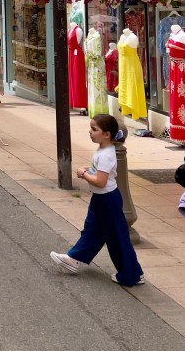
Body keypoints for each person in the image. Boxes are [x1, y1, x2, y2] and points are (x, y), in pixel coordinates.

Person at [50, 114, 144, 287]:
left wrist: (84, 174)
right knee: (93, 231)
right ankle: (74, 258)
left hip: (106, 200)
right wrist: (89, 169)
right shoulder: (103, 150)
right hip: (103, 199)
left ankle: (131, 275)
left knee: (116, 237)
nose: (90, 132)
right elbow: (101, 173)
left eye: (94, 129)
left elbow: (100, 182)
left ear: (106, 134)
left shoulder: (106, 154)